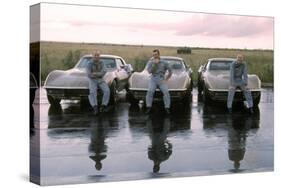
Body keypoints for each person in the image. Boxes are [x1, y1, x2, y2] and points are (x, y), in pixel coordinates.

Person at [145, 49, 172, 114]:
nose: (155, 56)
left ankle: (167, 108)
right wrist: (154, 64)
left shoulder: (164, 62)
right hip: (153, 79)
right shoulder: (151, 62)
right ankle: (149, 107)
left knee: (166, 92)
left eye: (156, 54)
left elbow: (170, 71)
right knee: (150, 91)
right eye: (153, 55)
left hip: (161, 79)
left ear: (159, 54)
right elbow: (149, 72)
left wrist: (166, 79)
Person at [86, 50, 110, 115]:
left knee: (107, 91)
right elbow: (89, 74)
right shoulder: (89, 63)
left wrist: (95, 74)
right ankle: (95, 107)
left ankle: (103, 106)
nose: (96, 56)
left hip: (100, 80)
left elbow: (104, 71)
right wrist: (98, 74)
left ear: (99, 56)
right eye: (95, 55)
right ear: (92, 56)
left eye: (98, 55)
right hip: (92, 80)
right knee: (92, 92)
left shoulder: (102, 62)